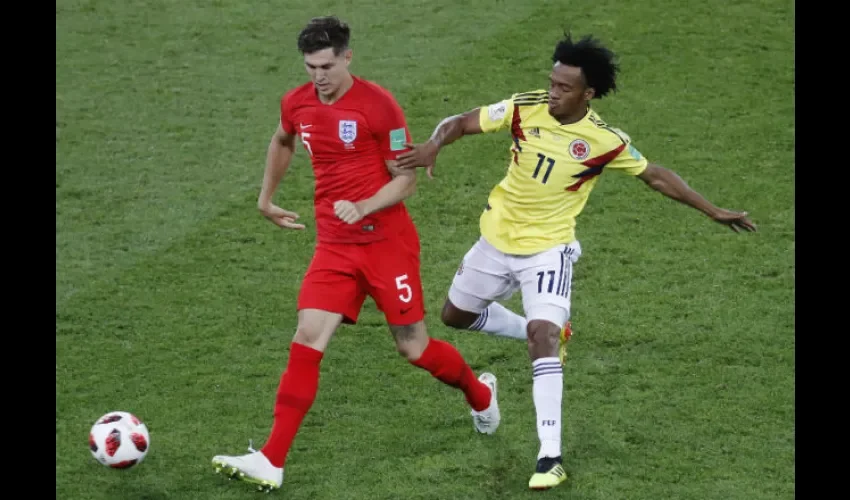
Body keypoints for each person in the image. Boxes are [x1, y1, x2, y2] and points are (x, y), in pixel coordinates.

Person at [395, 31, 757, 490]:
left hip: (548, 249)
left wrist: (712, 210)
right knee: (455, 316)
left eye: (564, 88)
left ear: (588, 94)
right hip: (494, 240)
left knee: (541, 336)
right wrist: (433, 144)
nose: (553, 93)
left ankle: (550, 457)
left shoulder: (604, 141)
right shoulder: (525, 107)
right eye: (552, 82)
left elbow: (657, 177)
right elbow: (463, 121)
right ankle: (546, 331)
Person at [211, 16, 500, 492]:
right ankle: (271, 459)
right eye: (310, 66)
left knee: (414, 349)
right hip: (334, 245)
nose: (318, 76)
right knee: (307, 337)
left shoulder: (378, 106)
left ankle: (480, 394)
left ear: (347, 57)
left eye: (326, 65)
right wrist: (265, 198)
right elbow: (282, 139)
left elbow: (404, 178)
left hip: (387, 246)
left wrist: (364, 204)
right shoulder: (297, 102)